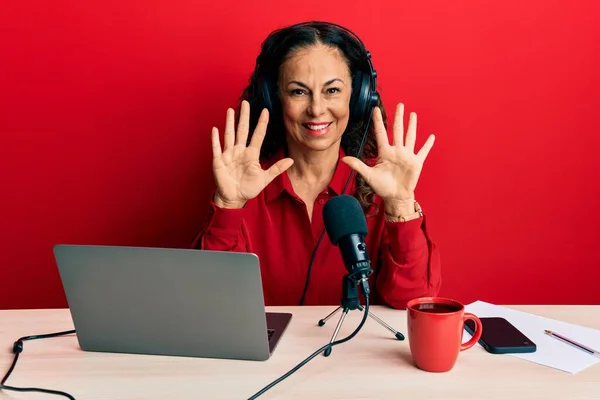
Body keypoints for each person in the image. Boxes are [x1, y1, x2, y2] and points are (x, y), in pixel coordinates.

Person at [191, 21, 441, 309]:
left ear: (358, 96)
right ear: (274, 99)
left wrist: (400, 205)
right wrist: (228, 206)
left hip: (357, 352)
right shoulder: (245, 186)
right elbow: (209, 302)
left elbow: (413, 302)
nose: (317, 109)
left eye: (332, 90)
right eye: (298, 92)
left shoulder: (382, 184)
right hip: (272, 355)